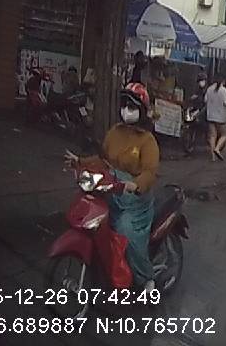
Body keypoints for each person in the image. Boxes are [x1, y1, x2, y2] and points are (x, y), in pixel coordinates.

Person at [63, 88, 159, 295]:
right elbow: (103, 160)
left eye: (131, 107)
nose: (126, 110)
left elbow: (150, 173)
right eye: (124, 105)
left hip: (135, 200)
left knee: (125, 231)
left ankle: (146, 278)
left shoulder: (147, 140)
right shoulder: (115, 131)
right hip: (112, 188)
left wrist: (135, 184)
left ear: (142, 111)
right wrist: (80, 161)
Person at [204, 75, 226, 161]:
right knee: (224, 135)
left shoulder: (209, 89)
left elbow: (205, 100)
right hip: (220, 117)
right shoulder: (223, 90)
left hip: (210, 116)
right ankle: (217, 148)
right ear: (223, 81)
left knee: (212, 136)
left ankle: (213, 156)